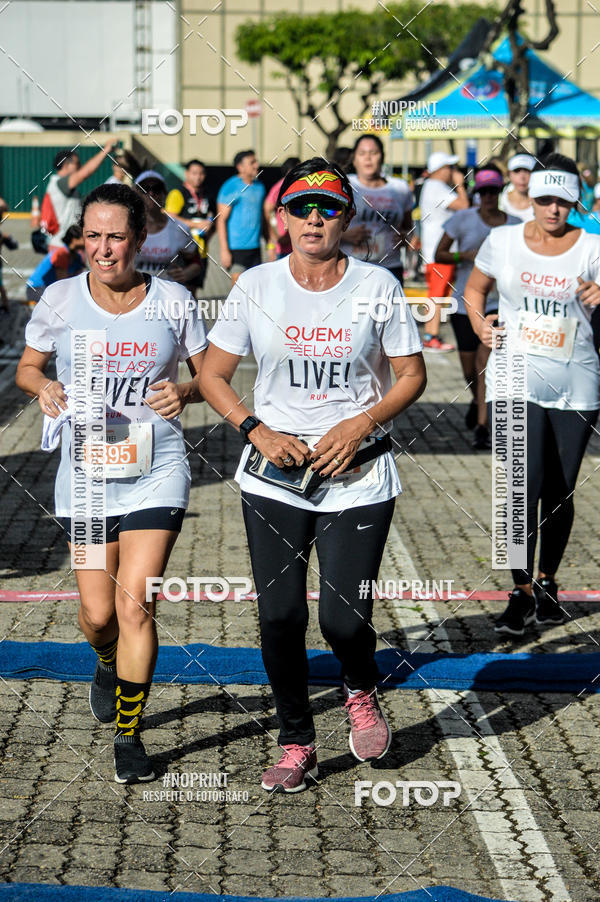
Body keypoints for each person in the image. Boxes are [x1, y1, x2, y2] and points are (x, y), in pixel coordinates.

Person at [199, 158, 426, 792]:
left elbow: (411, 375)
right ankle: (296, 740)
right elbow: (213, 376)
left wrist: (361, 423)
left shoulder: (378, 285)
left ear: (347, 218)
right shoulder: (256, 285)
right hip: (274, 477)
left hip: (358, 475)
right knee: (278, 617)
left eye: (328, 208)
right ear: (282, 217)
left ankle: (360, 686)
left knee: (344, 621)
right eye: (301, 207)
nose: (314, 219)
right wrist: (255, 429)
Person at [15, 183, 207, 783]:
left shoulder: (174, 300)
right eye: (93, 236)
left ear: (140, 239)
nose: (103, 248)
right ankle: (105, 661)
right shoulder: (60, 298)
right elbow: (27, 368)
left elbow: (211, 376)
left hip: (157, 470)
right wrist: (44, 387)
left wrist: (185, 391)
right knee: (98, 616)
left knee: (135, 605)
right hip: (88, 478)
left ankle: (129, 736)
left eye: (116, 236)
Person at [464, 153, 600, 635]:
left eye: (562, 201)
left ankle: (547, 582)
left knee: (559, 490)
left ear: (574, 202)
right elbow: (474, 290)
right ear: (530, 198)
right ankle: (520, 591)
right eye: (544, 199)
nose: (552, 209)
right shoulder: (503, 241)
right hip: (514, 375)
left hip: (576, 381)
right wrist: (480, 326)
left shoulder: (593, 248)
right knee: (521, 486)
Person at [435, 165, 520, 449]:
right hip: (465, 303)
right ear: (477, 194)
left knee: (485, 363)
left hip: (500, 305)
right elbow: (439, 253)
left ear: (500, 192)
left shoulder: (515, 224)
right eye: (483, 192)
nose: (488, 196)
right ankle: (477, 400)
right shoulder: (462, 219)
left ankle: (484, 426)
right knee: (470, 370)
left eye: (493, 191)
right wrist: (465, 255)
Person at [340, 135, 413, 286]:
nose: (368, 158)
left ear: (382, 157)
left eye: (373, 153)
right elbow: (324, 223)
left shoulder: (400, 188)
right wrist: (344, 236)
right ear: (354, 159)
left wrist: (405, 238)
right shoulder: (344, 185)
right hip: (351, 265)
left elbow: (408, 228)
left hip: (390, 267)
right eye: (362, 153)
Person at [419, 151, 469, 351]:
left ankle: (432, 335)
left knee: (438, 294)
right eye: (450, 167)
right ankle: (431, 336)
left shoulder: (431, 186)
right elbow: (464, 206)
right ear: (440, 170)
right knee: (437, 295)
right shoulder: (437, 187)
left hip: (436, 251)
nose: (453, 171)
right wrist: (460, 185)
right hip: (440, 253)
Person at [134, 170, 204, 292]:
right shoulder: (127, 226)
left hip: (167, 295)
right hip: (134, 294)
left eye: (156, 189)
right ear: (137, 194)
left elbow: (196, 262)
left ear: (164, 194)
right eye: (145, 189)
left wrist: (186, 273)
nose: (151, 193)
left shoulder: (179, 228)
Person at [46, 141, 116, 246]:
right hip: (61, 244)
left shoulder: (61, 185)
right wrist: (105, 150)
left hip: (69, 243)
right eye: (77, 163)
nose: (80, 166)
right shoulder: (59, 183)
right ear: (66, 165)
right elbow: (84, 173)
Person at [165, 159, 215, 293]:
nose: (198, 177)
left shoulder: (208, 194)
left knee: (193, 292)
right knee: (179, 291)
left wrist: (209, 228)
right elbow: (169, 217)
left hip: (201, 250)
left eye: (201, 173)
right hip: (182, 251)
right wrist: (195, 224)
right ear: (186, 173)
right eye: (194, 173)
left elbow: (212, 219)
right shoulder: (178, 193)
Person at [216, 150, 265, 284]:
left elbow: (263, 218)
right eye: (252, 162)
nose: (256, 165)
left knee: (255, 288)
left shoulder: (260, 187)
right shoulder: (230, 187)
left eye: (256, 161)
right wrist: (224, 250)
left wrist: (270, 244)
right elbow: (221, 220)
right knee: (239, 289)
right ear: (240, 167)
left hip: (255, 248)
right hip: (236, 249)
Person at [26, 224, 85, 303]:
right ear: (74, 240)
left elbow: (79, 280)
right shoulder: (61, 254)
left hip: (48, 288)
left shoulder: (77, 257)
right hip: (36, 289)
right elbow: (62, 283)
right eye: (85, 238)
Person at [263, 157, 301, 261]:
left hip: (297, 245)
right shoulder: (280, 187)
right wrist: (276, 236)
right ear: (289, 171)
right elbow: (268, 210)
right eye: (298, 169)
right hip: (282, 248)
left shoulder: (300, 186)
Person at [499, 153, 535, 222]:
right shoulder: (499, 199)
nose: (522, 177)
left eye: (527, 171)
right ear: (509, 174)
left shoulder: (546, 203)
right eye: (517, 171)